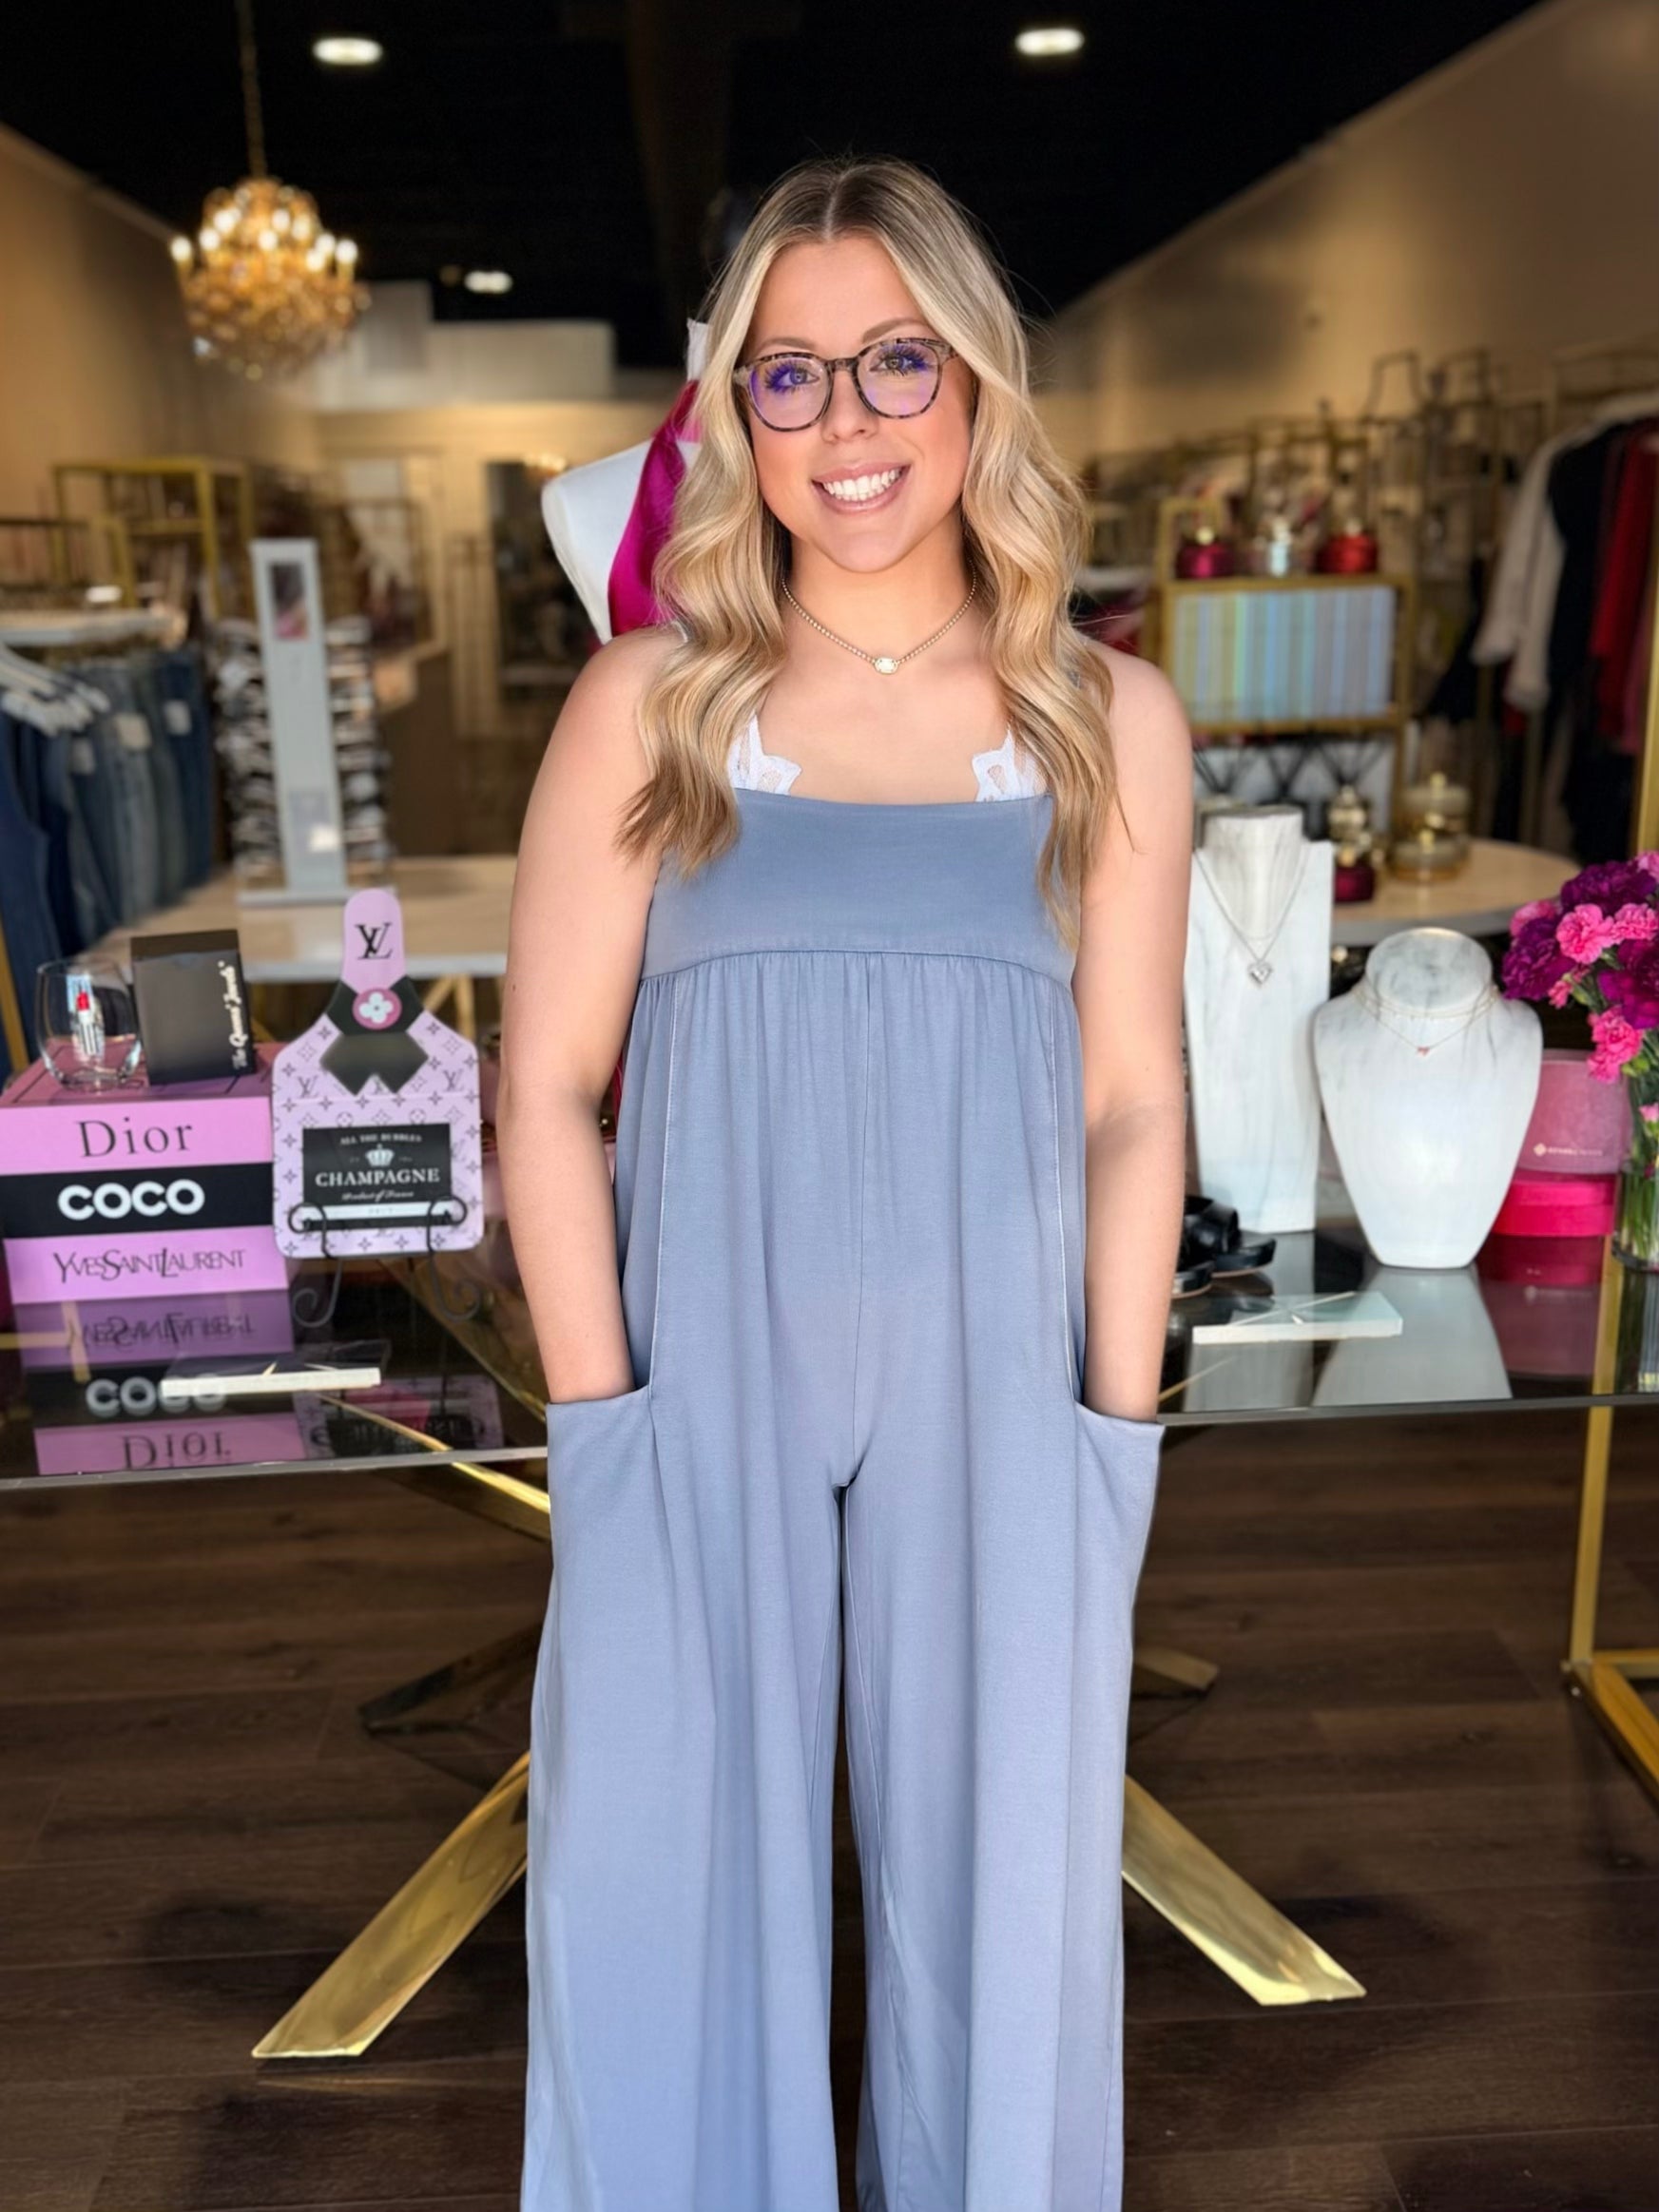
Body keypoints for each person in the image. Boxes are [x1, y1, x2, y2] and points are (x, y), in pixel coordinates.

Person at [498, 153, 1191, 2212]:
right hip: (696, 1372)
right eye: (788, 377)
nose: (850, 423)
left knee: (1012, 1897)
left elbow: (1135, 1099)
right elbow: (544, 1090)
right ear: (733, 416)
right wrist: (601, 1430)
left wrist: (1114, 1430)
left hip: (1004, 1380)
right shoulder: (652, 707)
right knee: (656, 1870)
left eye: (896, 360)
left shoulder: (1106, 720)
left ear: (976, 381)